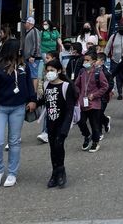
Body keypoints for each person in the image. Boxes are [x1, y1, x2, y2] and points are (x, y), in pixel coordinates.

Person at [0, 40, 37, 188]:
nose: (21, 51)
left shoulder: (23, 65)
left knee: (14, 141)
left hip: (18, 107)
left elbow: (29, 84)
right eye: (18, 49)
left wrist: (32, 99)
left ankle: (12, 173)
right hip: (0, 107)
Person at [36, 59, 76, 188]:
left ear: (59, 71)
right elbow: (43, 101)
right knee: (53, 148)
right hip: (51, 124)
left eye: (52, 70)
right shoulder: (47, 85)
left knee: (59, 146)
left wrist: (65, 127)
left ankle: (61, 171)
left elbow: (70, 109)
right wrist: (32, 103)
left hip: (62, 123)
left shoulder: (66, 86)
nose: (49, 73)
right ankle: (54, 173)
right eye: (47, 71)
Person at [75, 51, 109, 152]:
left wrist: (94, 95)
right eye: (84, 60)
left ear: (94, 61)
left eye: (87, 60)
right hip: (82, 103)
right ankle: (87, 135)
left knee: (95, 124)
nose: (85, 62)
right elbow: (76, 85)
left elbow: (105, 86)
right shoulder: (82, 72)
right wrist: (77, 95)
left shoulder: (98, 72)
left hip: (94, 103)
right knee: (80, 121)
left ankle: (95, 142)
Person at [104, 21, 123, 98]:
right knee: (117, 77)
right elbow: (108, 47)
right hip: (114, 60)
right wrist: (104, 56)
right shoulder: (113, 36)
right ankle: (120, 93)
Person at [95, 52, 113, 137]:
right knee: (96, 114)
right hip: (94, 97)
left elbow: (110, 84)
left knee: (98, 113)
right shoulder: (91, 70)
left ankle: (99, 133)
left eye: (96, 60)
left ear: (102, 62)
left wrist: (104, 92)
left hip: (103, 97)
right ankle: (105, 120)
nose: (94, 62)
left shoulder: (106, 72)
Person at [22, 17, 42, 91]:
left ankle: (34, 93)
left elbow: (37, 44)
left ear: (30, 23)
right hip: (29, 58)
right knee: (30, 75)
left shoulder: (34, 31)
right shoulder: (29, 31)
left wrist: (33, 55)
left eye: (25, 22)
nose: (24, 24)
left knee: (34, 76)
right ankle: (31, 92)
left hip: (33, 58)